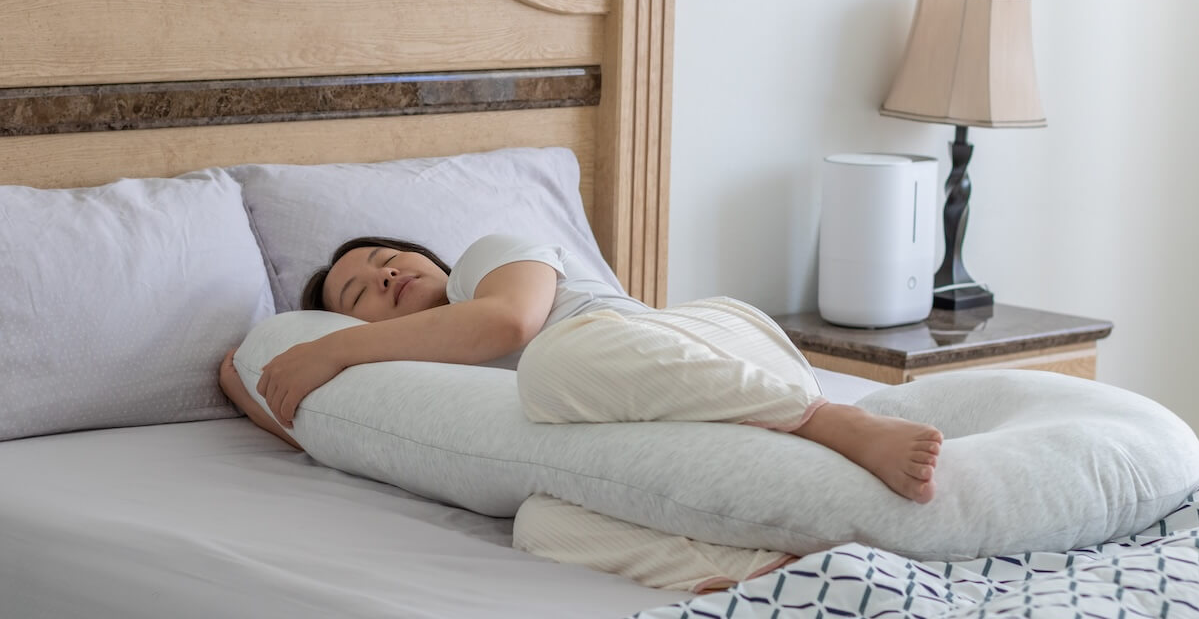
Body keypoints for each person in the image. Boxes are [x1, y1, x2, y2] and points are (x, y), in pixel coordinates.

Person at [219, 233, 942, 504]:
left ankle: (834, 422)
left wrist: (334, 348)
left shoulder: (489, 259)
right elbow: (332, 433)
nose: (385, 275)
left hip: (703, 346)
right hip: (638, 412)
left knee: (555, 363)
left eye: (387, 258)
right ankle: (744, 560)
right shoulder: (414, 378)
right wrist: (241, 381)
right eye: (360, 295)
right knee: (544, 521)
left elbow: (509, 323)